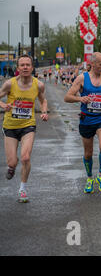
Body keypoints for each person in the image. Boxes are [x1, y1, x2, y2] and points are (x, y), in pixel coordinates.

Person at [64, 52, 101, 194]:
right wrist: (80, 99)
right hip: (87, 119)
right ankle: (89, 178)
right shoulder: (82, 78)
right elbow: (67, 97)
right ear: (92, 64)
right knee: (88, 153)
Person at [0, 55, 49, 202]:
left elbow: (43, 100)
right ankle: (12, 167)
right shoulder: (9, 84)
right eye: (22, 65)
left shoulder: (38, 85)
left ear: (32, 68)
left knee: (26, 157)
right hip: (10, 126)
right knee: (12, 162)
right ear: (18, 68)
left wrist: (44, 112)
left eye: (28, 65)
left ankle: (22, 189)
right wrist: (4, 106)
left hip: (28, 125)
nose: (25, 67)